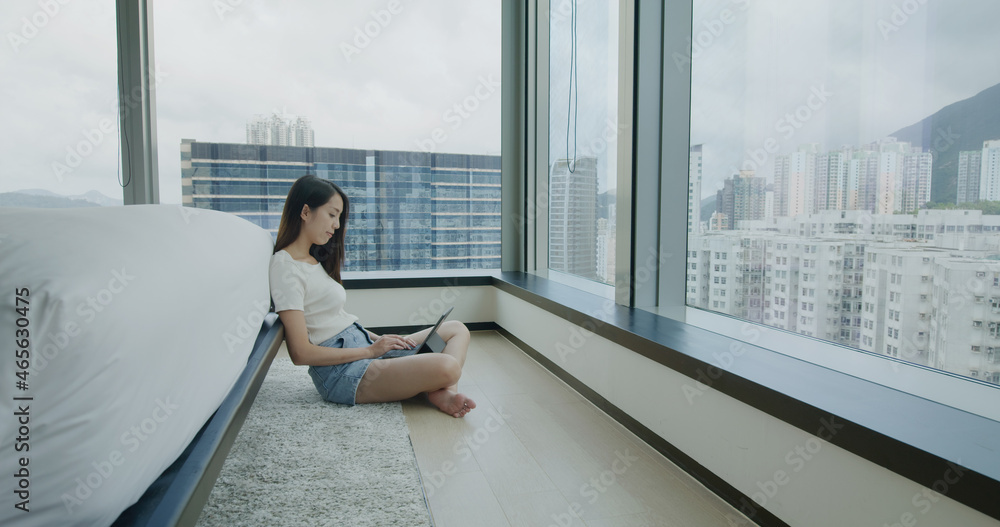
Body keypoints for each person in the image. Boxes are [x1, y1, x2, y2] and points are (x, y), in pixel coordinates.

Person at [268, 174, 475, 418]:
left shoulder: (314, 260)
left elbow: (337, 319)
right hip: (342, 373)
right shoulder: (285, 267)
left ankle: (440, 391)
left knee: (457, 329)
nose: (336, 225)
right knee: (448, 366)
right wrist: (370, 352)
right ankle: (439, 390)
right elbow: (301, 353)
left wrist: (380, 340)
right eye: (332, 214)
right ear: (305, 212)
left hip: (364, 344)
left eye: (339, 218)